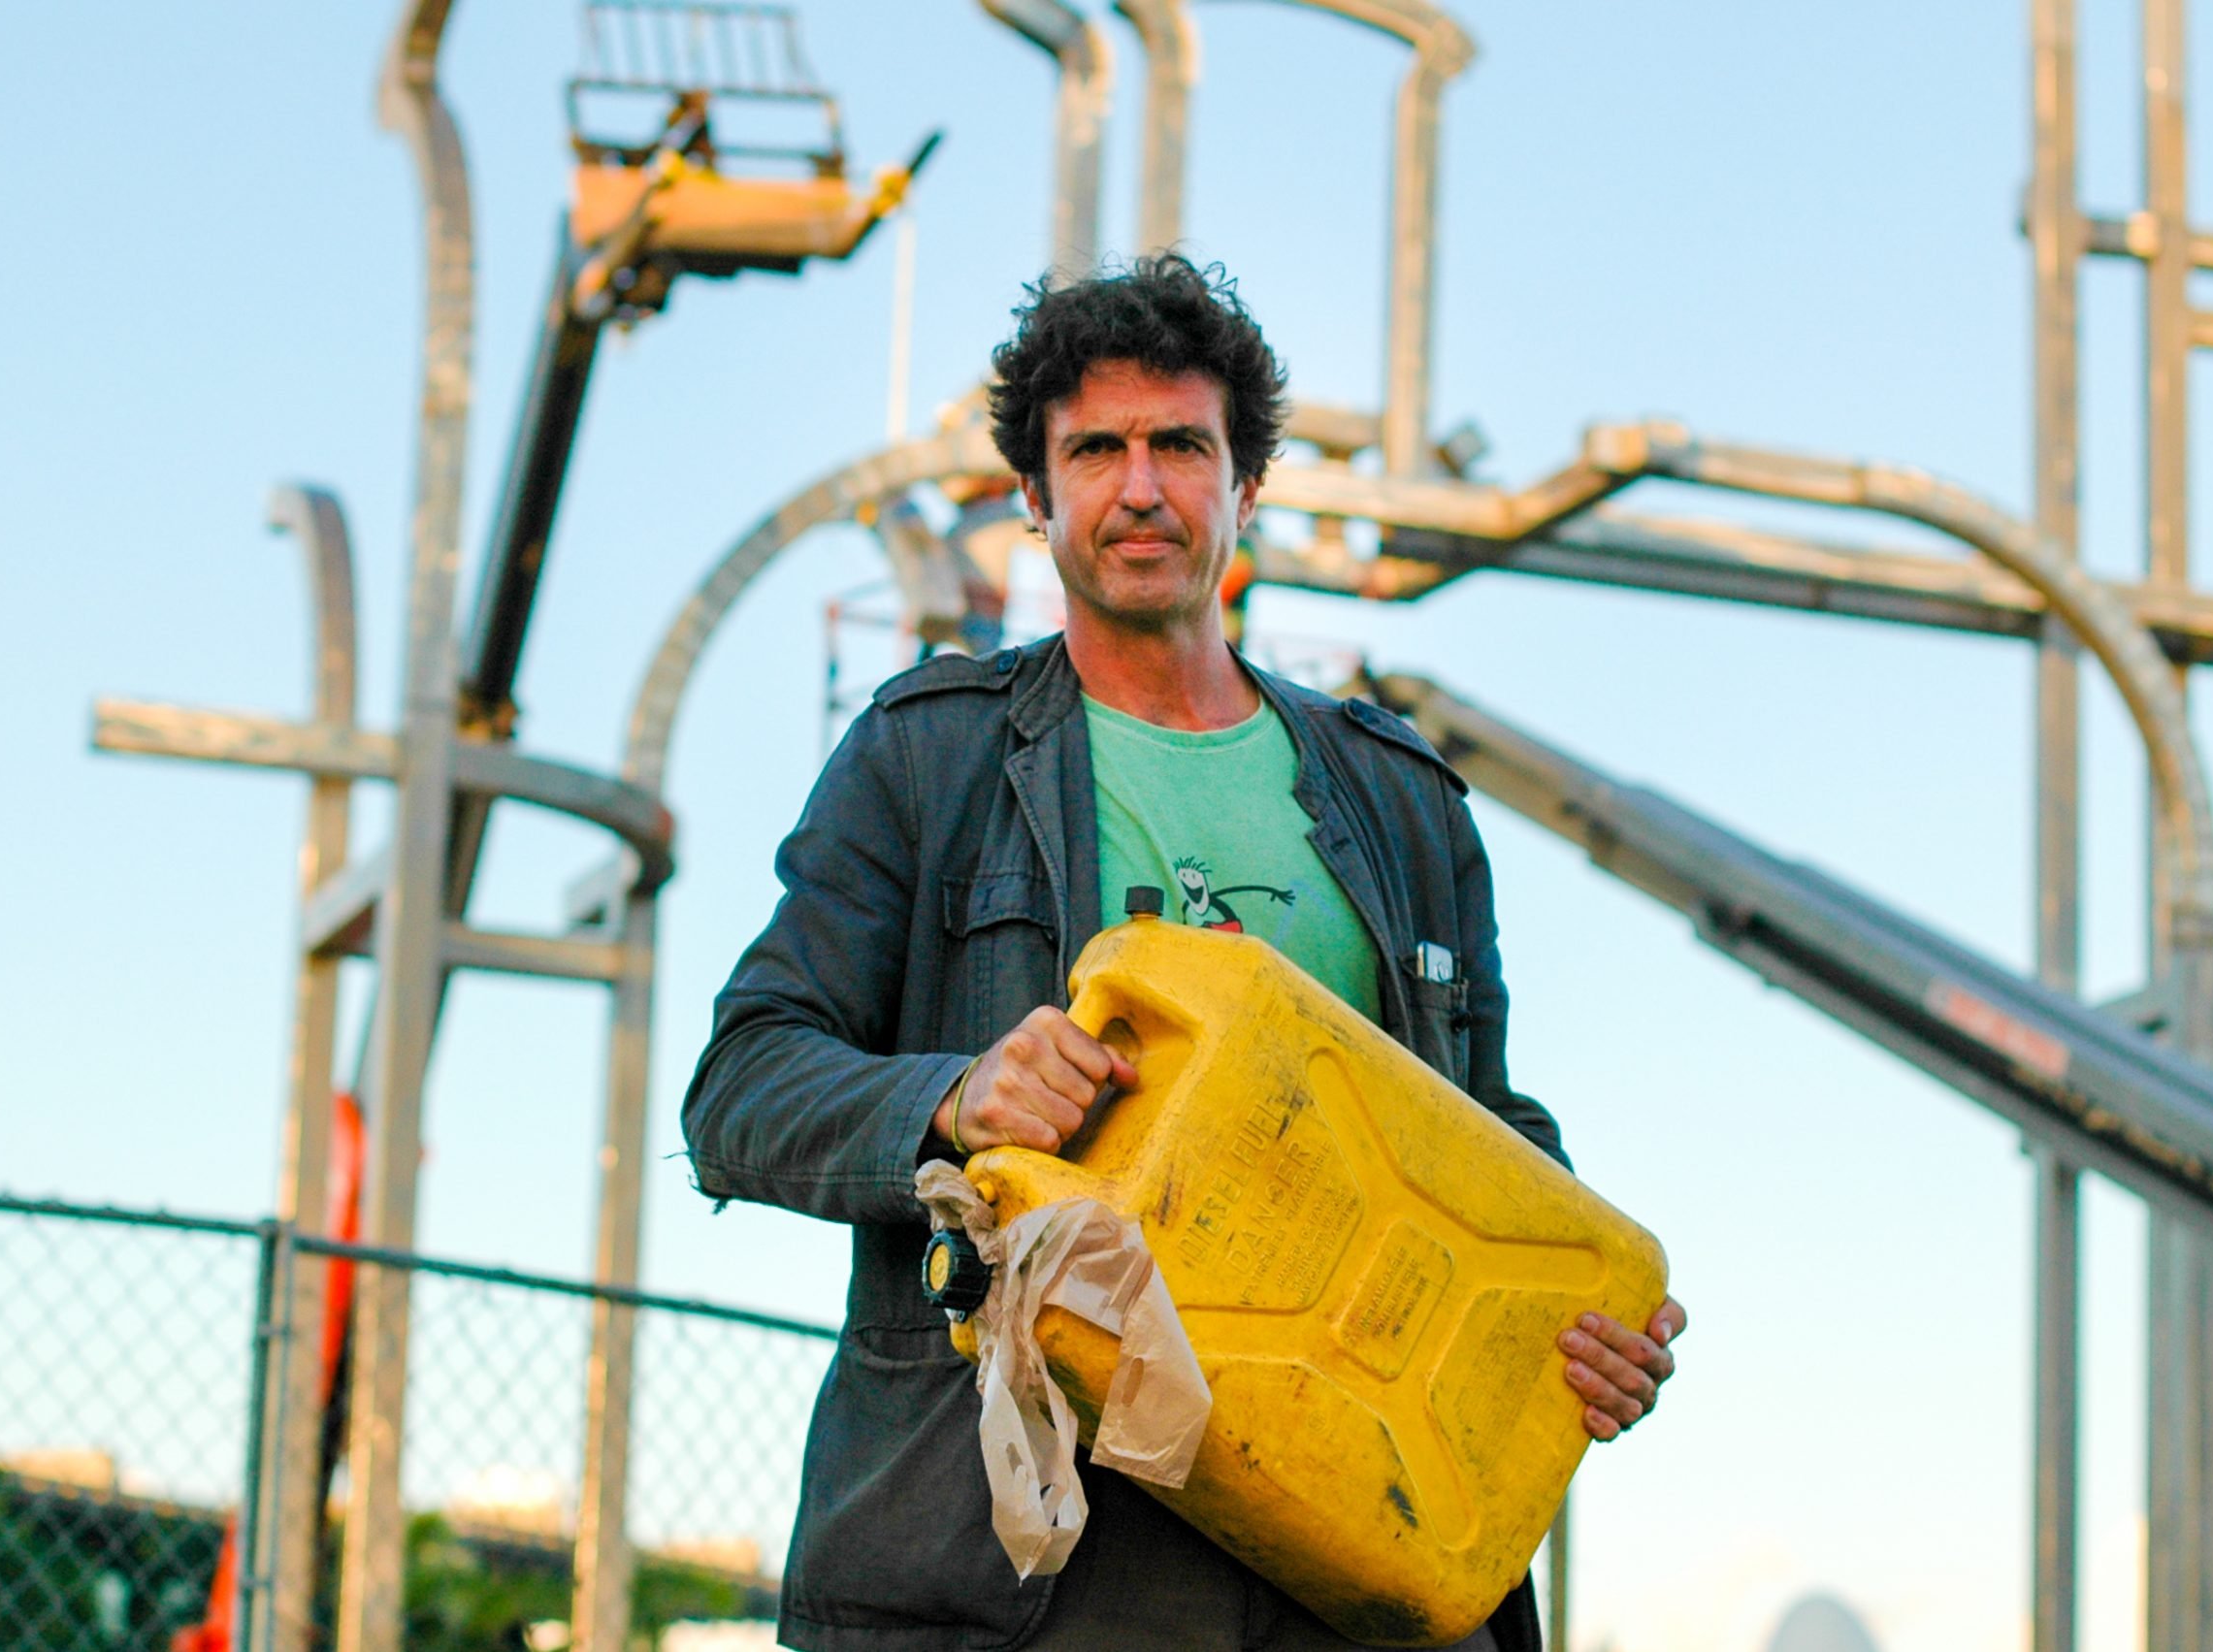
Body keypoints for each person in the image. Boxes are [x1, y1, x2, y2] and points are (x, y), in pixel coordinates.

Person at [683, 254, 1686, 1652]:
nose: (1140, 487)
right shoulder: (928, 758)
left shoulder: (1400, 798)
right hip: (1034, 1554)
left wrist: (1573, 1323)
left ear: (1246, 489)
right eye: (1094, 448)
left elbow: (1488, 1129)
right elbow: (740, 1090)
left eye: (1181, 447)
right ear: (1034, 497)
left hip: (1341, 1542)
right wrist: (954, 1099)